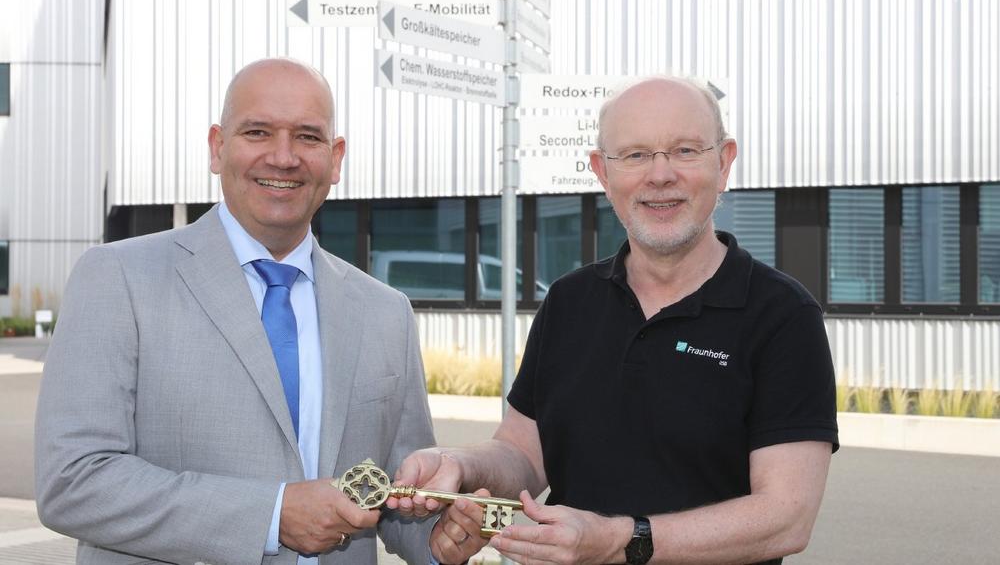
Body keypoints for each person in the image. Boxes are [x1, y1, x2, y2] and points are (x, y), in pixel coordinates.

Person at [34, 58, 478, 565]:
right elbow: (72, 481)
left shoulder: (386, 312)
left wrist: (439, 538)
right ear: (217, 147)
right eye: (258, 132)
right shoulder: (118, 278)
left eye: (307, 137)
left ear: (335, 159)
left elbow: (394, 498)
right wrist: (272, 515)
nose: (283, 157)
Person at [391, 75, 839, 564]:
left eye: (685, 150)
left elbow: (785, 516)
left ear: (724, 162)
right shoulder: (568, 302)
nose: (660, 175)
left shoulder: (782, 316)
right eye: (636, 154)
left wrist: (621, 540)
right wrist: (457, 465)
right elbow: (523, 455)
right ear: (603, 172)